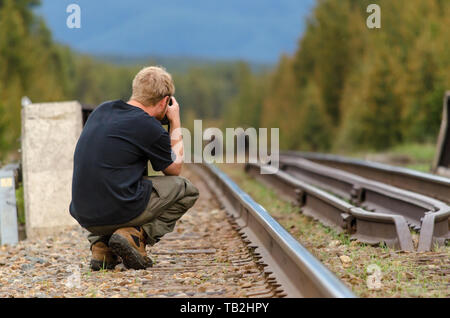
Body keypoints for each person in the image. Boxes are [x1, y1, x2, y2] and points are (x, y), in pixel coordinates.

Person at [69, 66, 199, 270]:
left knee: (127, 176)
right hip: (116, 210)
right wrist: (175, 121)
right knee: (186, 189)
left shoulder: (101, 111)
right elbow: (174, 169)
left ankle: (102, 245)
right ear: (166, 101)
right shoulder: (148, 126)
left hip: (85, 215)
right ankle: (135, 236)